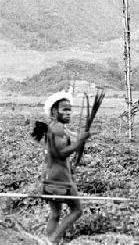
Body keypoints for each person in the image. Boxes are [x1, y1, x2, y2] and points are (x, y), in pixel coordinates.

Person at [31, 91, 91, 244]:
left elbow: (71, 135)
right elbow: (61, 153)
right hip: (60, 180)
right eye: (64, 109)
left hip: (48, 178)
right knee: (77, 210)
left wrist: (80, 137)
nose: (68, 112)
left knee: (55, 214)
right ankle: (52, 240)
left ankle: (48, 241)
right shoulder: (57, 129)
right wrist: (79, 143)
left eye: (70, 109)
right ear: (54, 111)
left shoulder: (55, 127)